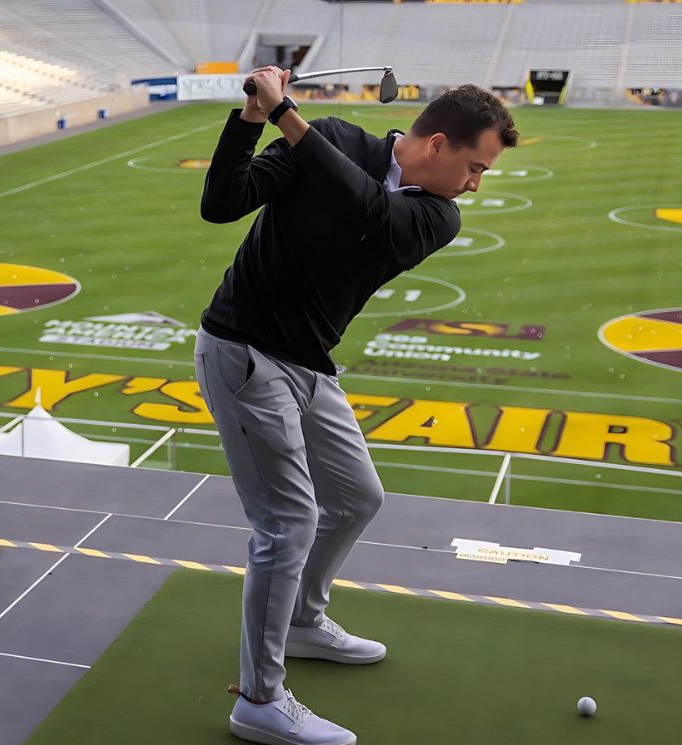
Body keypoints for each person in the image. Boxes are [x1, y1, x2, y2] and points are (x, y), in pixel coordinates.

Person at [196, 68, 517, 745]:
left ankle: (306, 623)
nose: (475, 185)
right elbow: (222, 202)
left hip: (309, 363)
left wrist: (288, 114)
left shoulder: (436, 216)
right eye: (474, 166)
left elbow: (366, 209)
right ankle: (259, 697)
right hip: (244, 351)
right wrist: (255, 116)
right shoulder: (336, 136)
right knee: (288, 523)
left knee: (357, 498)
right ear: (436, 144)